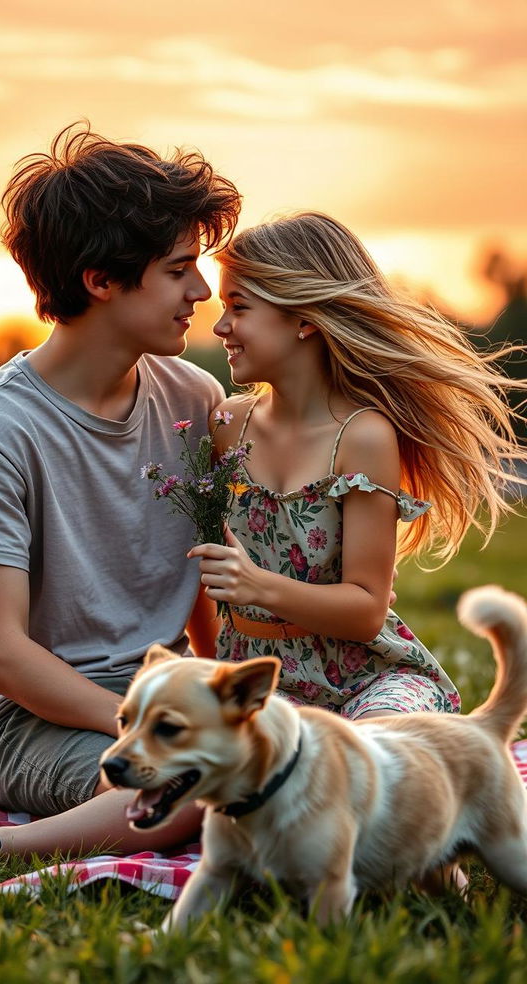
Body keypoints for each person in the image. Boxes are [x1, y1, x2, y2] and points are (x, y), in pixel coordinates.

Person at [0, 122, 240, 868]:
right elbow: (1, 655)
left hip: (162, 699)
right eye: (178, 269)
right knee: (192, 786)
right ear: (100, 280)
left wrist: (222, 698)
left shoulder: (193, 395)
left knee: (273, 763)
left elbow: (203, 577)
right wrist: (155, 726)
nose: (202, 291)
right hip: (23, 722)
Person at [188, 211, 526, 723]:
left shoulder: (362, 437)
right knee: (250, 761)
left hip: (366, 680)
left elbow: (366, 611)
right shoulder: (225, 426)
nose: (220, 326)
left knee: (375, 748)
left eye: (239, 307)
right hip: (260, 682)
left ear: (304, 319)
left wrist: (257, 585)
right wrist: (215, 672)